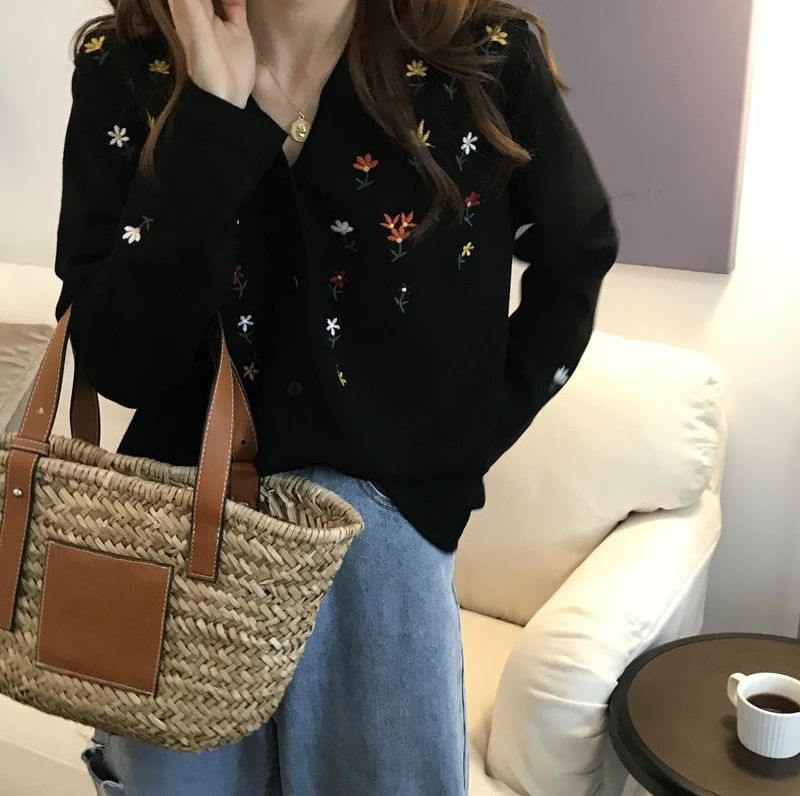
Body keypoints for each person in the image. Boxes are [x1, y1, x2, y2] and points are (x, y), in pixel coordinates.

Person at [54, 0, 619, 793]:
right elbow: (119, 361)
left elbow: (577, 255)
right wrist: (211, 124)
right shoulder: (130, 66)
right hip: (179, 539)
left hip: (388, 544)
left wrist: (459, 445)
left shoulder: (480, 58)